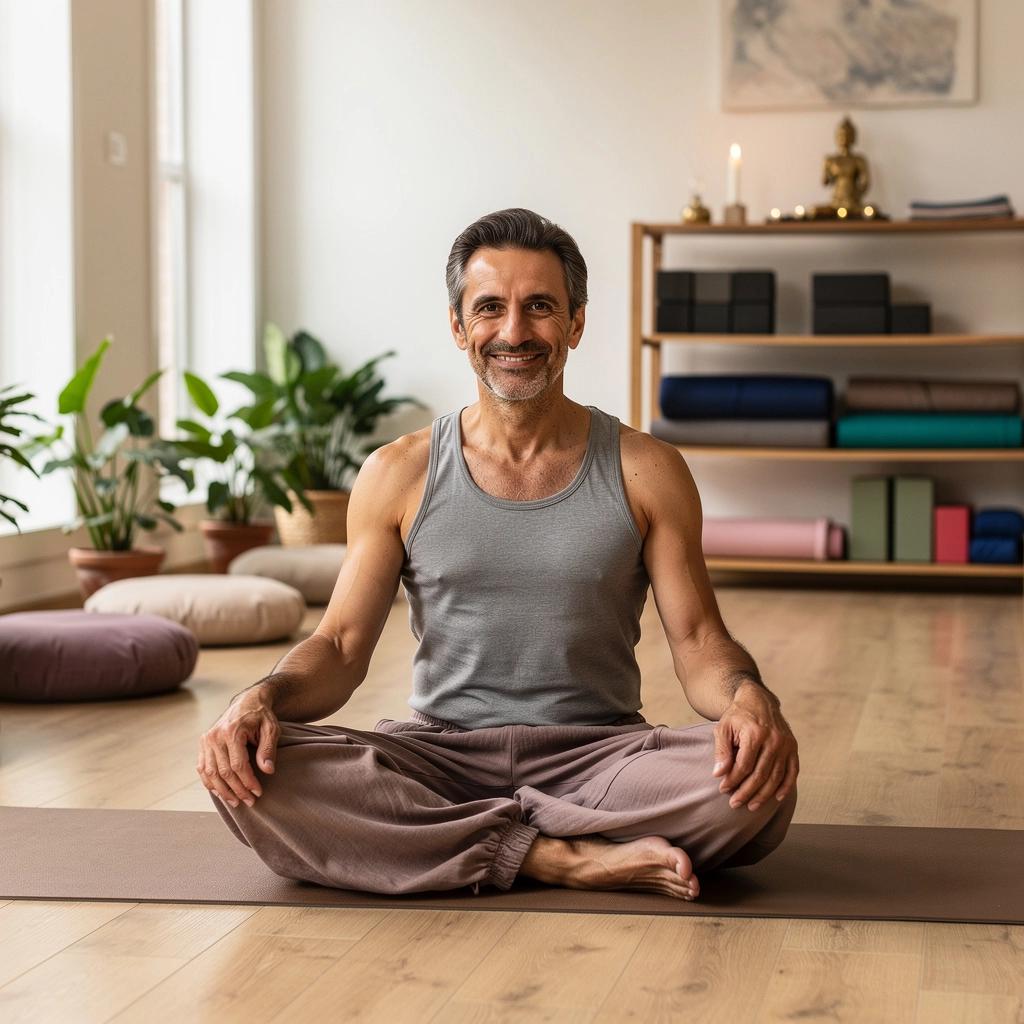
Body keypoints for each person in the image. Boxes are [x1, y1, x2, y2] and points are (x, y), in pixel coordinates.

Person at [198, 208, 799, 901]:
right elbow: (337, 647)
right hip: (437, 757)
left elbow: (698, 642)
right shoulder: (399, 471)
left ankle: (454, 841)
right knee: (252, 772)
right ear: (459, 326)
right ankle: (556, 855)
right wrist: (257, 699)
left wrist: (750, 700)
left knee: (757, 787)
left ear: (575, 323)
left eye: (540, 307)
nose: (514, 332)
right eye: (490, 308)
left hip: (600, 759)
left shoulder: (647, 468)